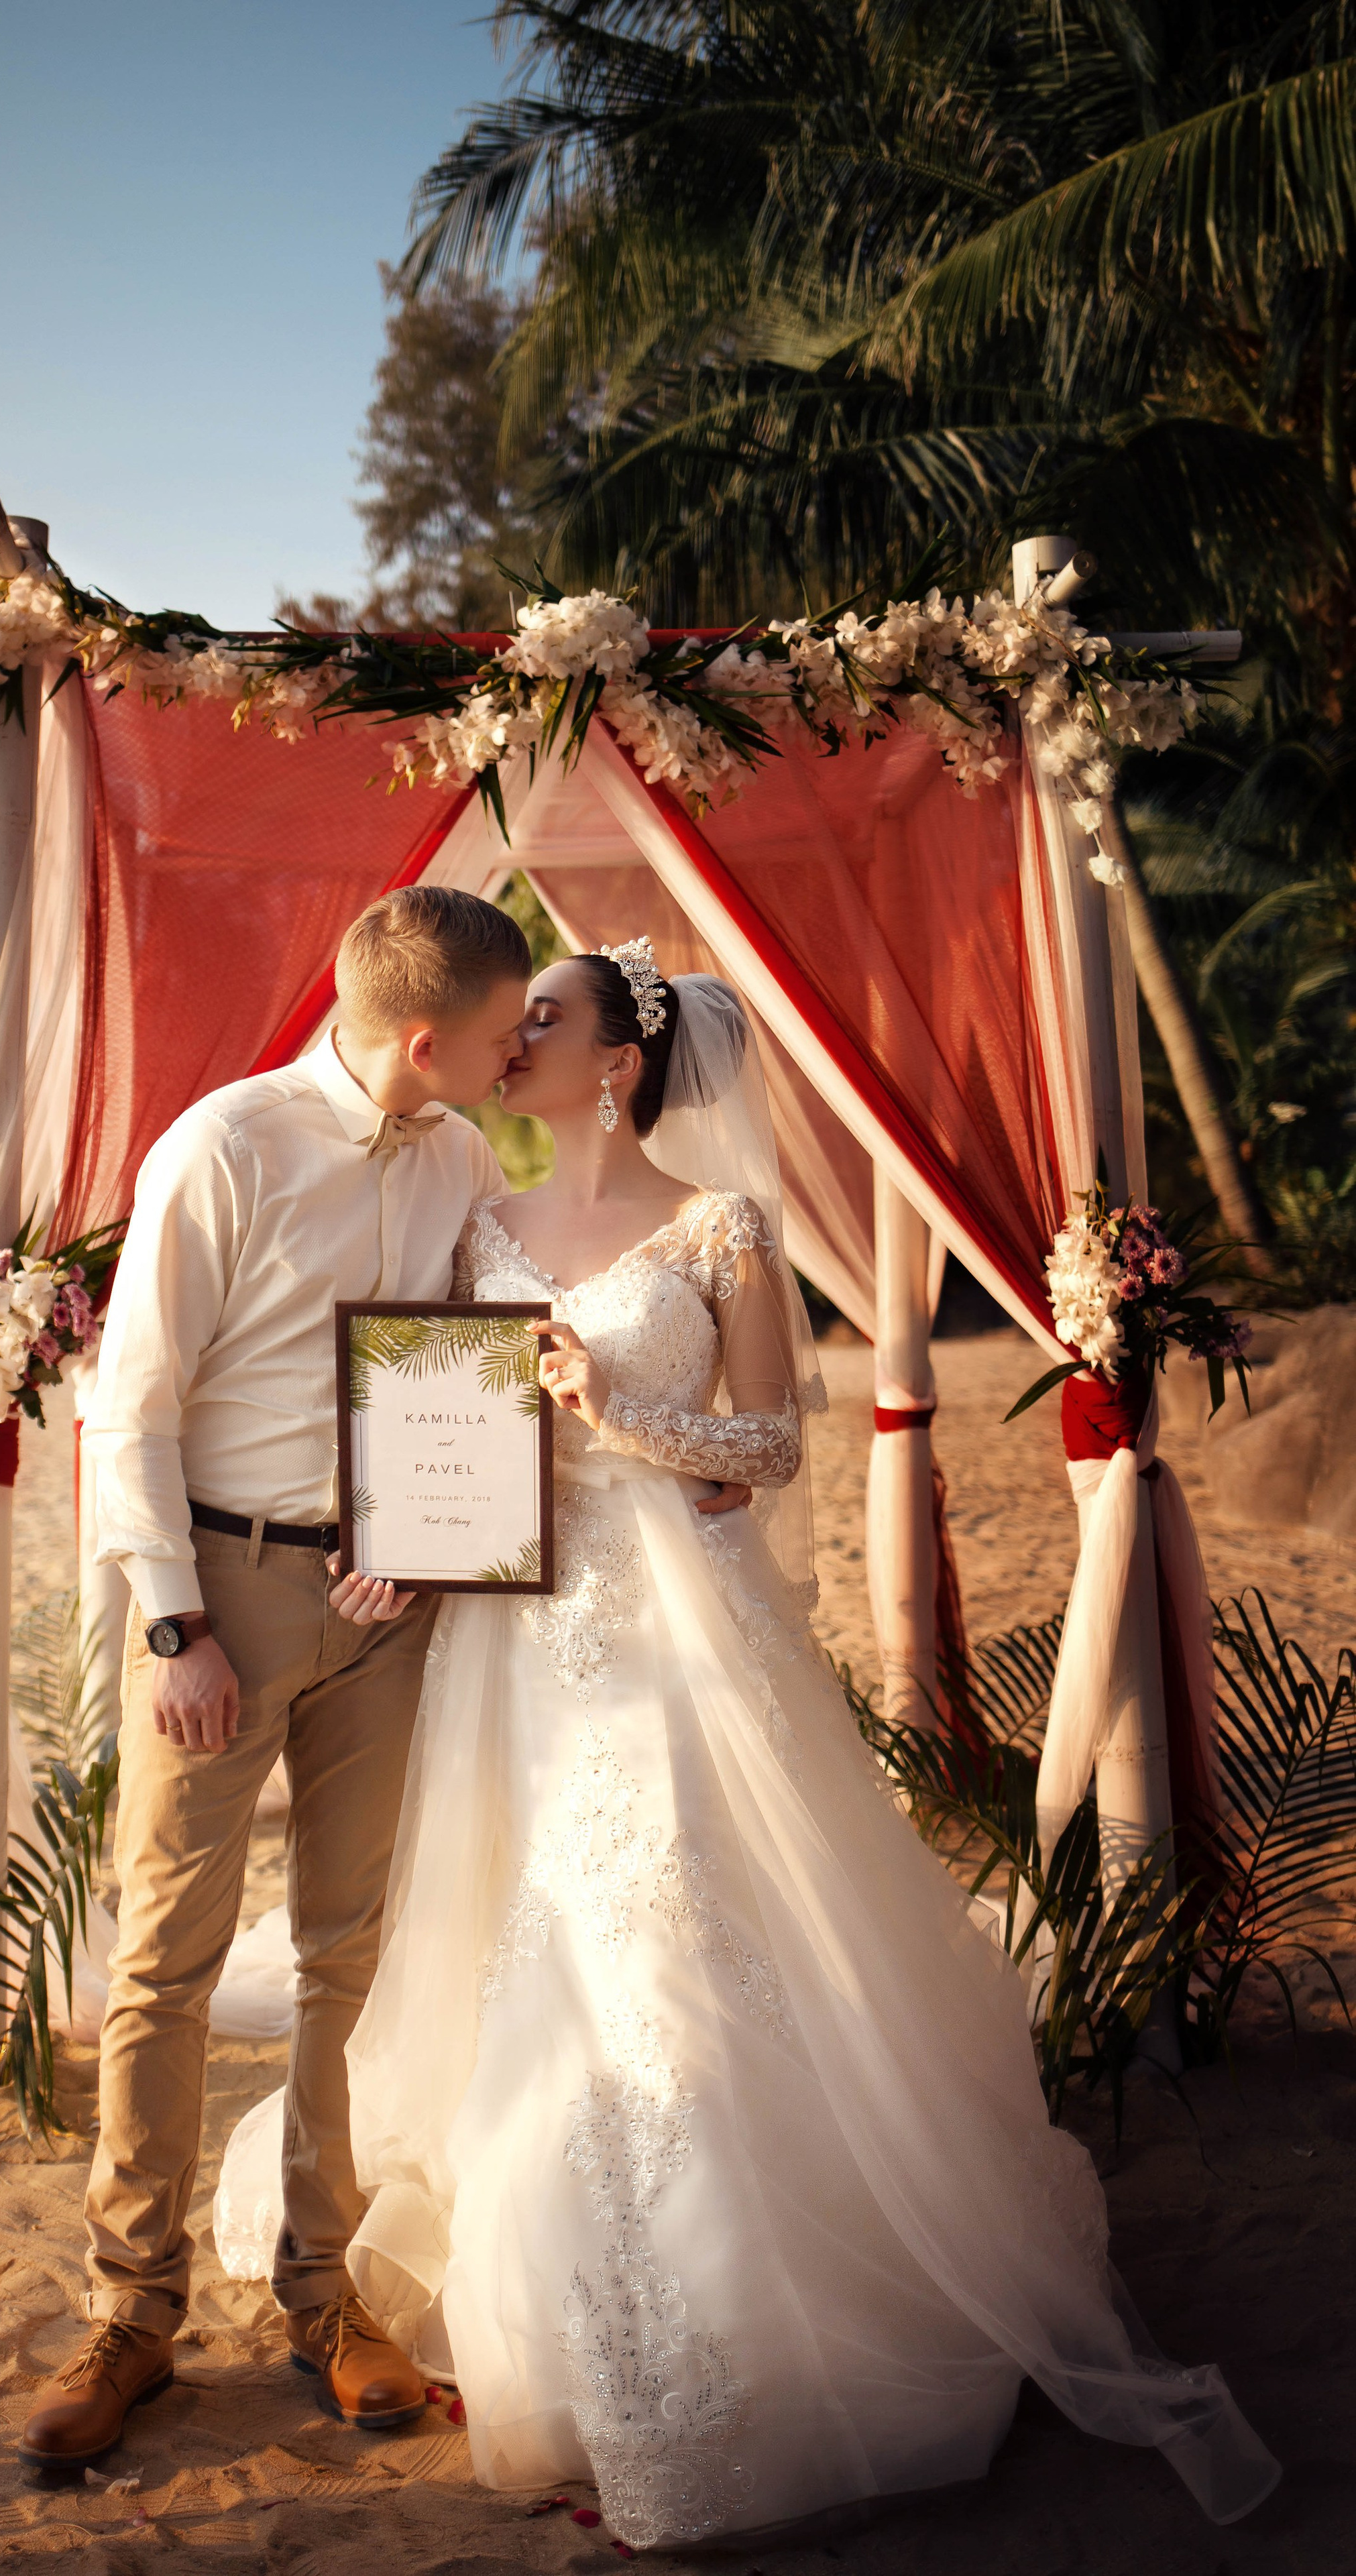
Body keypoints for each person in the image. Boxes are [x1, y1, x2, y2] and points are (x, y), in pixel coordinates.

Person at [327, 940, 1281, 2547]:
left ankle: (750, 2338)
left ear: (618, 1062)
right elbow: (442, 1431)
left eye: (544, 1016)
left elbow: (765, 1444)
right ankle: (581, 2341)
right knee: (541, 1956)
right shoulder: (477, 1221)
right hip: (521, 1647)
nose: (518, 1036)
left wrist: (609, 1412)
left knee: (677, 1951)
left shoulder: (720, 1225)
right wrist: (399, 1533)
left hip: (677, 1636)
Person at [14, 887, 535, 2467]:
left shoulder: (454, 1155)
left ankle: (322, 2297)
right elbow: (133, 1406)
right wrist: (173, 1625)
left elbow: (446, 1372)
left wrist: (425, 1535)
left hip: (385, 1605)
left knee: (345, 1952)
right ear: (425, 1036)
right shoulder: (220, 1149)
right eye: (508, 1034)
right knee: (165, 1961)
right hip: (218, 1592)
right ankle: (130, 2314)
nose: (519, 1060)